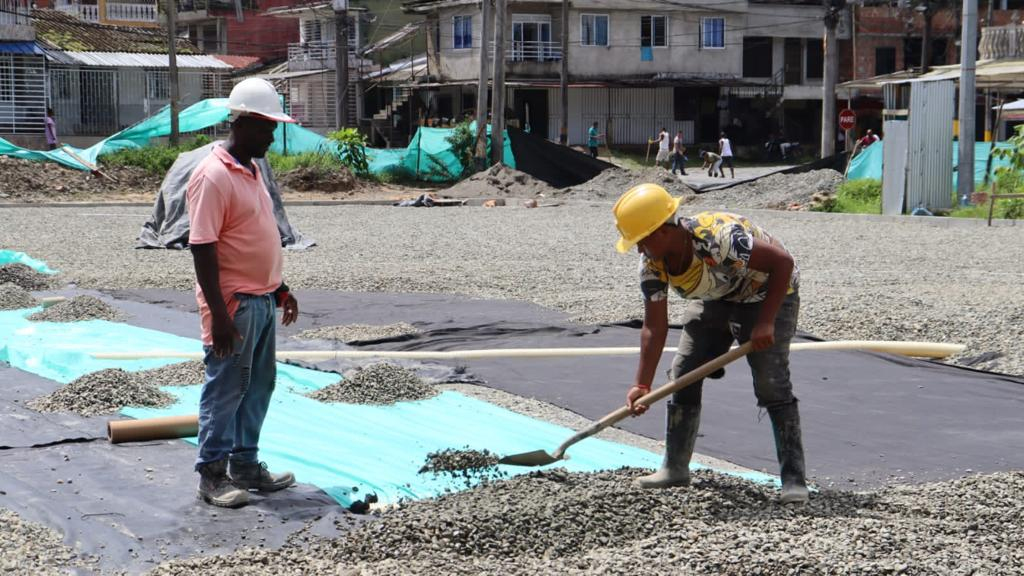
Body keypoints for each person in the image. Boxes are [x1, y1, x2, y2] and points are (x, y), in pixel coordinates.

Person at [611, 183, 809, 504]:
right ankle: (674, 467)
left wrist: (765, 321)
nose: (638, 249)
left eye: (640, 240)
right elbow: (654, 326)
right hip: (716, 296)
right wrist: (642, 384)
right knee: (684, 373)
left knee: (771, 383)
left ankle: (793, 479)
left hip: (766, 293)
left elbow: (782, 263)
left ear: (661, 231)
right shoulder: (653, 265)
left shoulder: (720, 239)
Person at [187, 78, 299, 508]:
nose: (273, 135)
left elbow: (256, 233)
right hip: (235, 302)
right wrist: (219, 315)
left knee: (259, 387)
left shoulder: (252, 170)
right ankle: (212, 475)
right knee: (226, 388)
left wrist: (281, 288)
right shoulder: (214, 176)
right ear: (246, 122)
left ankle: (246, 465)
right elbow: (202, 246)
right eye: (268, 126)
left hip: (264, 298)